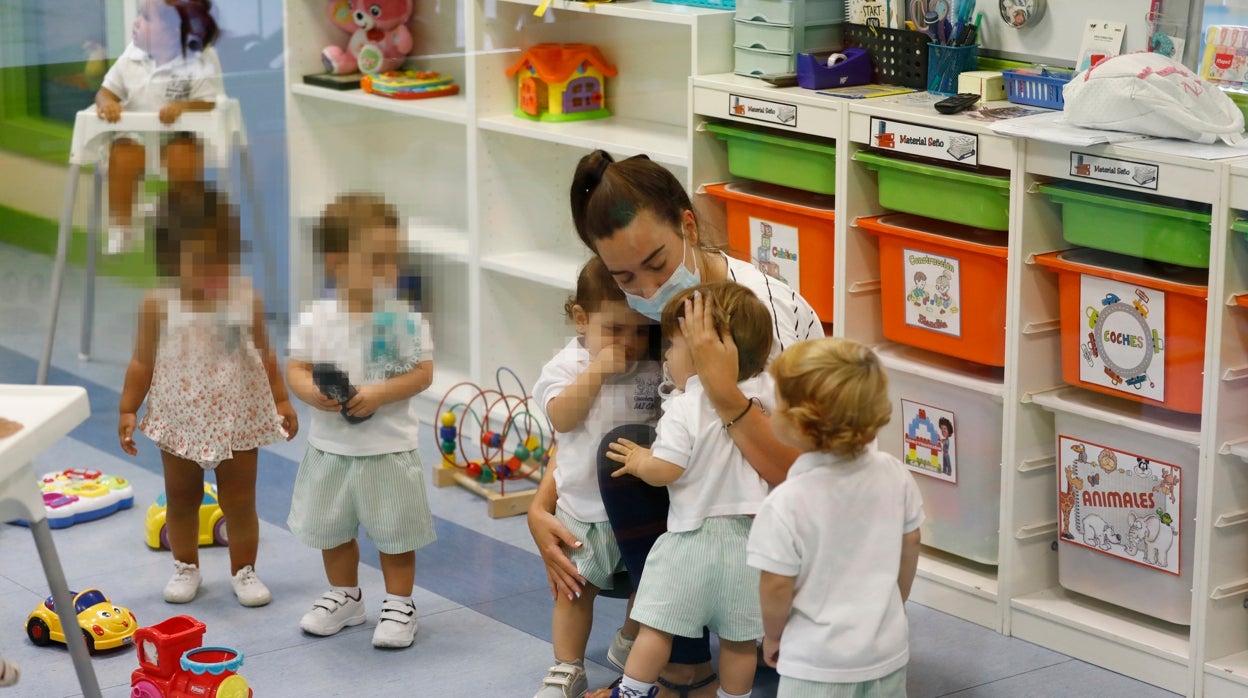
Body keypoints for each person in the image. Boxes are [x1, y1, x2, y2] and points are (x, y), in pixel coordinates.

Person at [529, 150, 824, 698]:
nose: (644, 289)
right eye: (624, 277)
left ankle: (723, 637)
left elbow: (804, 476)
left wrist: (723, 391)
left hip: (793, 517)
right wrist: (541, 501)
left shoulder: (759, 314)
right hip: (711, 522)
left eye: (659, 265)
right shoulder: (640, 310)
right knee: (623, 449)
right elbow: (596, 415)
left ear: (688, 225)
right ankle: (684, 662)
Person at [118, 180, 297, 606]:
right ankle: (186, 566)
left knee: (240, 502)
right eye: (199, 260)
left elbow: (265, 355)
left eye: (222, 257)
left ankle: (245, 570)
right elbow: (142, 361)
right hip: (179, 418)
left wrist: (282, 400)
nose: (212, 270)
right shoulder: (158, 305)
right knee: (182, 499)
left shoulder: (243, 300)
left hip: (237, 418)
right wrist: (128, 408)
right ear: (171, 258)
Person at [607, 281, 774, 698]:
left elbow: (666, 469)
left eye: (673, 347)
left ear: (705, 352)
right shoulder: (761, 398)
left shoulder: (685, 404)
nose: (666, 356)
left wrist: (641, 461)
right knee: (738, 642)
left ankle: (632, 690)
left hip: (691, 543)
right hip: (747, 546)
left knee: (657, 628)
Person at [286, 193, 437, 650]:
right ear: (336, 262)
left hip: (387, 450)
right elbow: (296, 367)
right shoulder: (316, 318)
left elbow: (422, 372)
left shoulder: (404, 320)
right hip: (330, 449)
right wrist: (310, 391)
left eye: (393, 259)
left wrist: (378, 395)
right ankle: (346, 596)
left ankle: (399, 603)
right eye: (375, 260)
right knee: (333, 530)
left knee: (395, 534)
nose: (387, 271)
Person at [747, 338, 924, 697]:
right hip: (887, 649)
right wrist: (893, 606)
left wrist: (773, 634)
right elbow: (911, 543)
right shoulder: (894, 473)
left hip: (816, 661)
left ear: (801, 424)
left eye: (778, 401)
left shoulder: (786, 502)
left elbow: (776, 584)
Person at [530, 257, 660, 698]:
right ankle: (567, 666)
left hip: (640, 503)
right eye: (616, 331)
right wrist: (598, 370)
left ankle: (628, 640)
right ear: (581, 321)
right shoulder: (567, 366)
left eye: (641, 331)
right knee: (573, 591)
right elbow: (561, 419)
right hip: (581, 510)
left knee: (647, 585)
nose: (629, 344)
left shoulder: (653, 366)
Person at [94, 0, 222, 254]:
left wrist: (184, 107)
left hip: (180, 135)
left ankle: (180, 218)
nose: (137, 22)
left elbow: (209, 103)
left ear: (175, 32)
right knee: (121, 157)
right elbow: (105, 92)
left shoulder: (197, 61)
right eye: (140, 14)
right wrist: (108, 104)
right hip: (137, 135)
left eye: (146, 17)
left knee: (182, 157)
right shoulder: (132, 56)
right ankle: (121, 225)